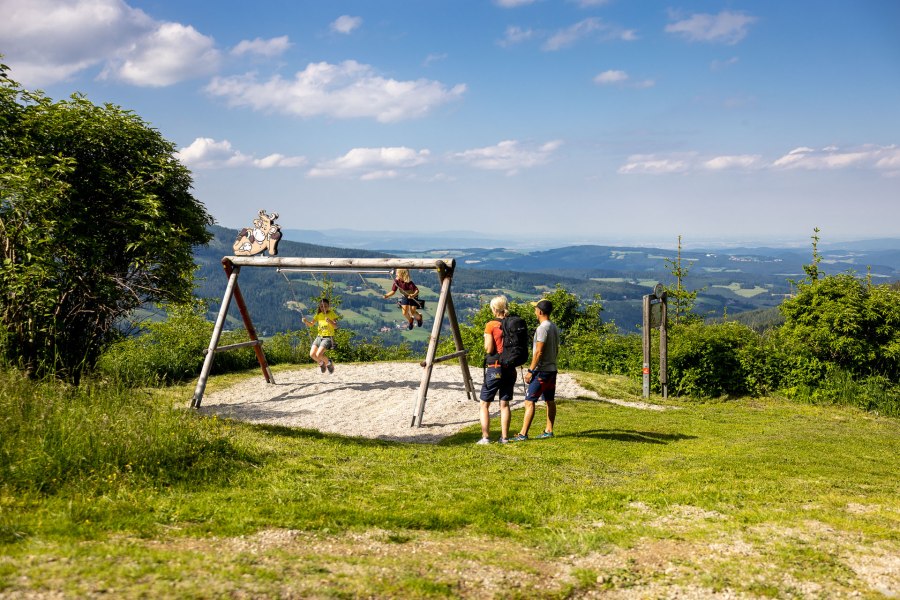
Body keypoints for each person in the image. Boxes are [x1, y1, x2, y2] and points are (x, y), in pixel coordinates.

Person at [512, 299, 559, 441]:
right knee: (549, 400)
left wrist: (531, 370)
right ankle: (548, 430)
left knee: (529, 401)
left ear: (540, 311)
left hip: (542, 371)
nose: (534, 311)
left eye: (535, 309)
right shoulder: (553, 326)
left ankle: (523, 434)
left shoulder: (542, 328)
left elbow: (538, 352)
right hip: (552, 369)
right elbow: (555, 348)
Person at [476, 296, 516, 445]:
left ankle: (486, 437)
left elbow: (489, 348)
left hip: (495, 367)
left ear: (494, 309)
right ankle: (504, 438)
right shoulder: (512, 324)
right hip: (510, 368)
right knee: (504, 404)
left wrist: (487, 338)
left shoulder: (491, 325)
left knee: (484, 403)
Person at [301, 299, 339, 373]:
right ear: (319, 307)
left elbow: (336, 326)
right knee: (312, 354)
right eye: (322, 306)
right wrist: (306, 321)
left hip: (328, 337)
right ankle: (322, 364)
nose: (323, 308)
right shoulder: (318, 315)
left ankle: (329, 363)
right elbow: (311, 324)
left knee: (319, 354)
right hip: (319, 337)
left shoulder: (331, 314)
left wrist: (330, 321)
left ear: (328, 306)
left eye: (325, 306)